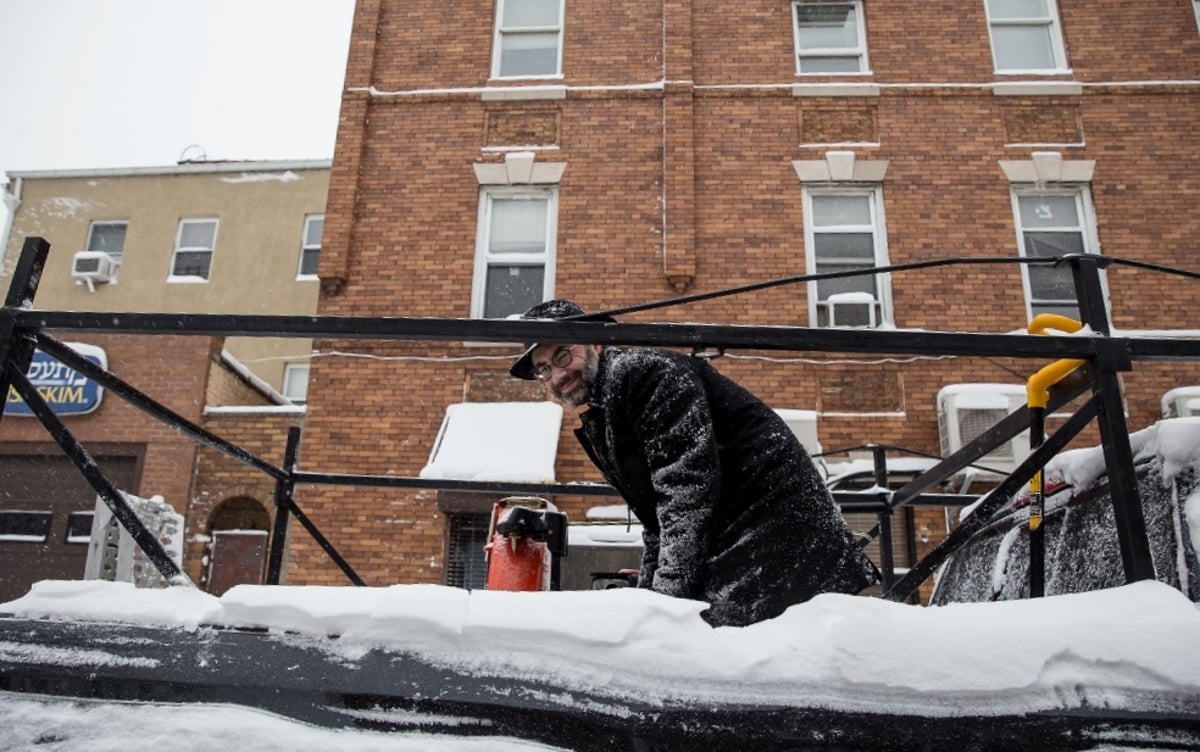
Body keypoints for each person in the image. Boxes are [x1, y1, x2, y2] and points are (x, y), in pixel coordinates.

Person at [510, 299, 880, 627]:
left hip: (775, 533)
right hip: (748, 533)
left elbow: (686, 493)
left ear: (595, 342)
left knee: (726, 656)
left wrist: (664, 606)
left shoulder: (642, 374)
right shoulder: (609, 404)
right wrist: (650, 599)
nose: (558, 375)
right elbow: (658, 518)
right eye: (544, 369)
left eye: (563, 355)